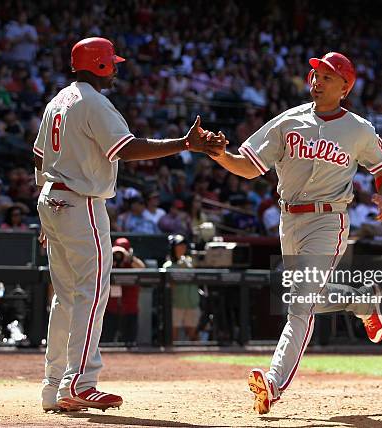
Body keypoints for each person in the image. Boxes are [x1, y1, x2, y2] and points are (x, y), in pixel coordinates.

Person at [34, 37, 224, 412]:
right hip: (80, 201)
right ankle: (80, 382)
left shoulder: (58, 100)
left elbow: (39, 156)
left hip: (52, 198)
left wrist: (45, 210)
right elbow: (126, 147)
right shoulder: (92, 101)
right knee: (92, 292)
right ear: (100, 65)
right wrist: (185, 144)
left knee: (67, 298)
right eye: (112, 63)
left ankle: (53, 385)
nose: (116, 68)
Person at [203, 52, 382, 414]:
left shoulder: (359, 129)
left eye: (327, 76)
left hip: (328, 220)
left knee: (299, 303)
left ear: (344, 87)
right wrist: (220, 155)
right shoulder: (288, 121)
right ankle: (363, 301)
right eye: (316, 74)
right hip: (288, 220)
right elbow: (248, 167)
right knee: (307, 297)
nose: (317, 80)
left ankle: (273, 384)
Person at [163, 234, 200, 341]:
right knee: (173, 336)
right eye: (179, 246)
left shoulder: (191, 263)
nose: (182, 248)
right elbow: (170, 286)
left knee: (193, 335)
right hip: (176, 304)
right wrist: (180, 269)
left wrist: (189, 266)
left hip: (192, 303)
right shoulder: (168, 266)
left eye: (183, 246)